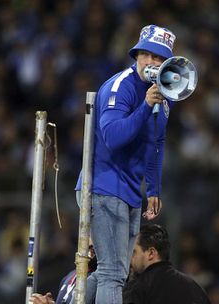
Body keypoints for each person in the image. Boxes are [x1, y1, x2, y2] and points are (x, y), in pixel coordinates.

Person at [75, 24, 176, 304]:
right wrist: (145, 106)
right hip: (103, 185)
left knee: (116, 269)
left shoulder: (163, 96)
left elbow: (156, 143)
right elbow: (112, 138)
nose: (153, 63)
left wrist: (153, 189)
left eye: (159, 59)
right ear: (137, 56)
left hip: (129, 191)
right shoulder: (121, 86)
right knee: (112, 273)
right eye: (149, 56)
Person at [123, 224, 210, 304]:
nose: (130, 259)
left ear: (151, 253)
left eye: (134, 252)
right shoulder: (194, 287)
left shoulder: (139, 288)